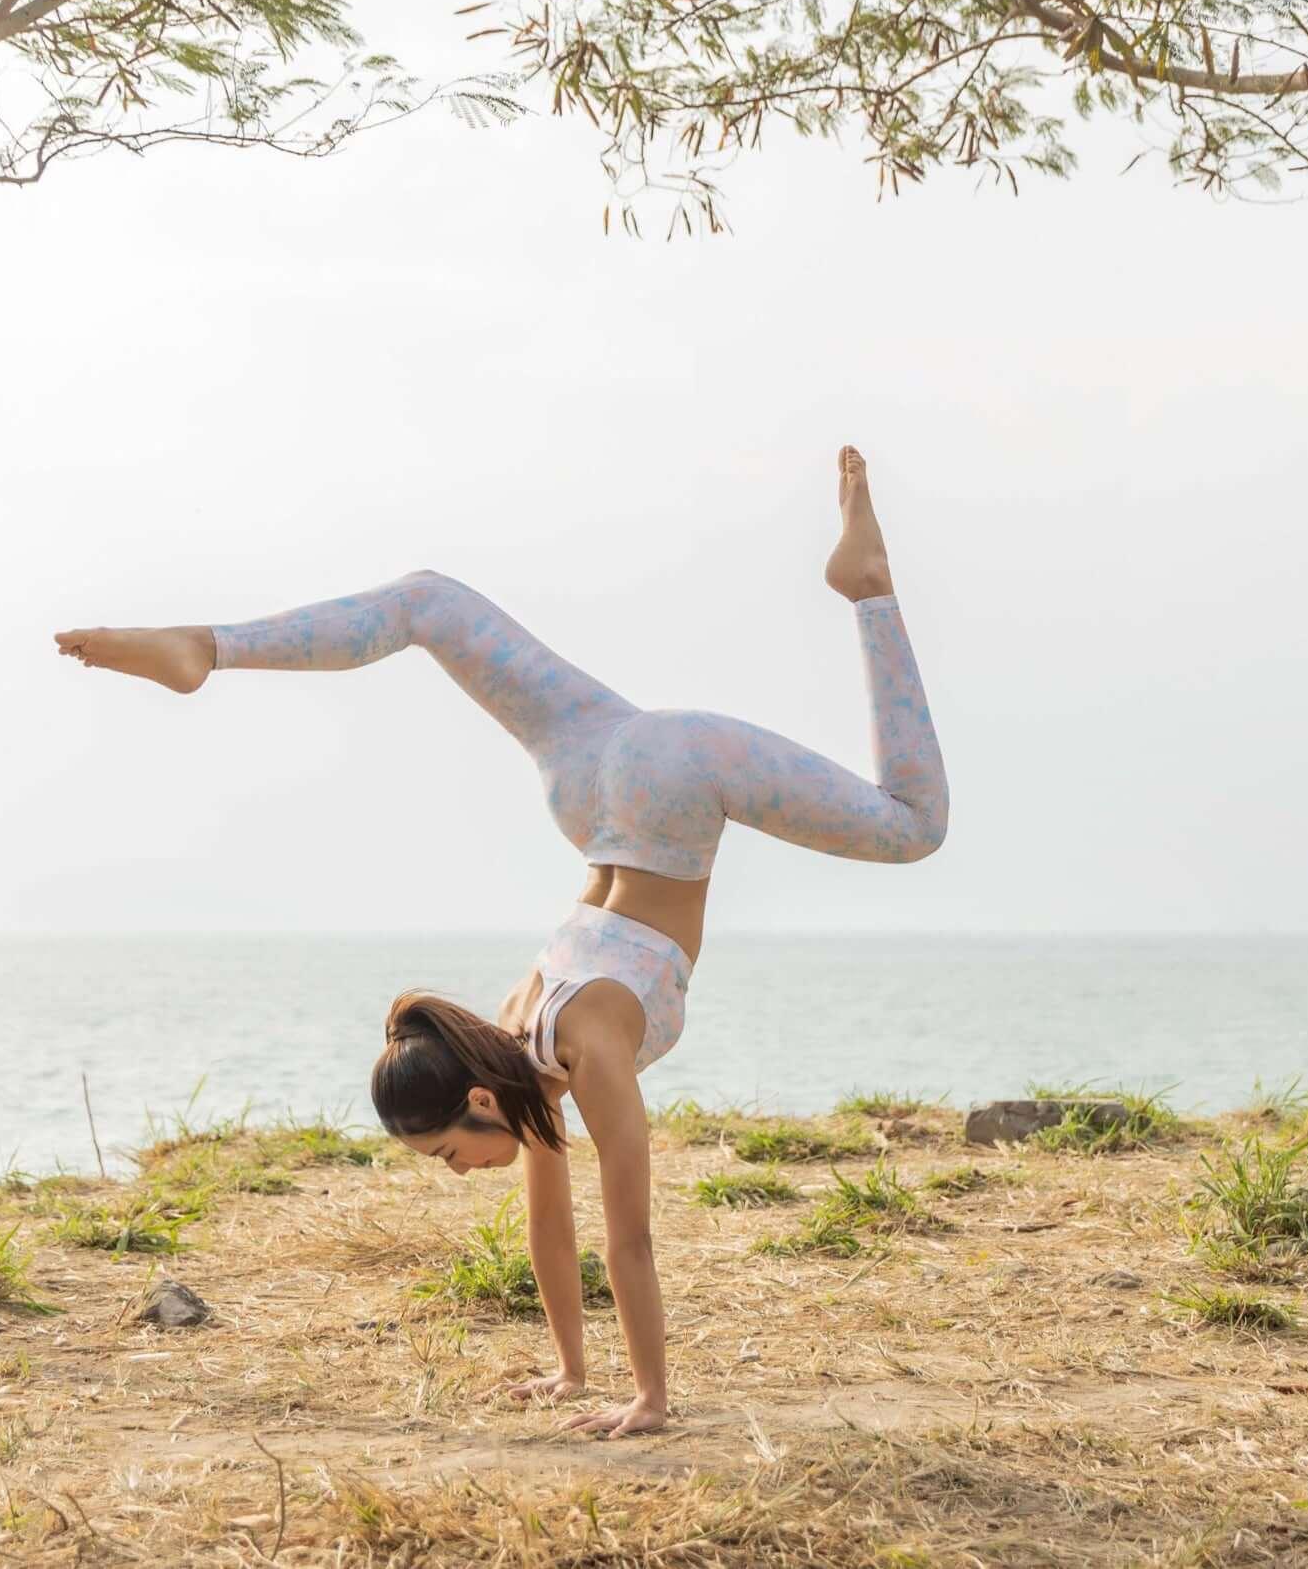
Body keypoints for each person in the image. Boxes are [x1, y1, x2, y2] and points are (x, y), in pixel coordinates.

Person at [55, 445, 948, 1437]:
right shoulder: (520, 1039)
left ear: (480, 1101)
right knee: (429, 603)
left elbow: (632, 1242)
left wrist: (648, 1400)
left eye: (446, 1155)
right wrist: (571, 1375)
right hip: (592, 769)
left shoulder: (579, 1047)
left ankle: (868, 589)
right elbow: (552, 1233)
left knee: (913, 825)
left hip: (668, 777)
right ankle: (207, 647)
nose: (456, 1174)